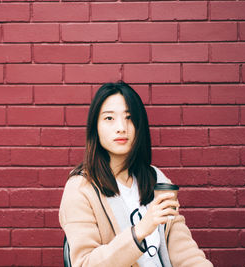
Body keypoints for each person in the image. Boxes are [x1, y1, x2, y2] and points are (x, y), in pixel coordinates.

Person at [59, 81, 213, 267]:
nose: (121, 127)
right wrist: (140, 230)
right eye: (109, 118)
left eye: (129, 117)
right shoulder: (81, 188)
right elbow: (84, 263)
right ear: (95, 128)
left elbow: (184, 249)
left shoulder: (156, 179)